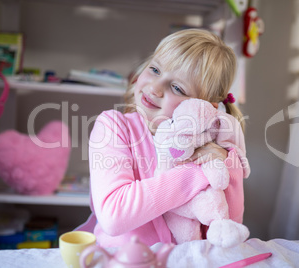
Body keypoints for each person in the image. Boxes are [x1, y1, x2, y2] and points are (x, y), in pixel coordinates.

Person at [77, 29, 249, 247]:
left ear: (204, 106)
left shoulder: (210, 146)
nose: (155, 88)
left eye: (177, 87)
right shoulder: (113, 126)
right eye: (155, 69)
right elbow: (114, 215)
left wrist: (226, 164)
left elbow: (227, 231)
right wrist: (197, 173)